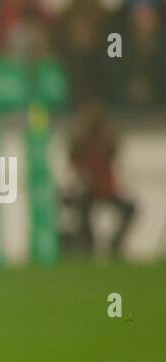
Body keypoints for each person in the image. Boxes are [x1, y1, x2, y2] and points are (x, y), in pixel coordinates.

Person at [67, 101, 136, 257]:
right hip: (88, 190)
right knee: (82, 211)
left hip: (108, 190)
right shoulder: (81, 142)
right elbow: (73, 157)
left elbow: (114, 149)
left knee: (130, 209)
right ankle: (88, 247)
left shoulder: (105, 140)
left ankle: (115, 243)